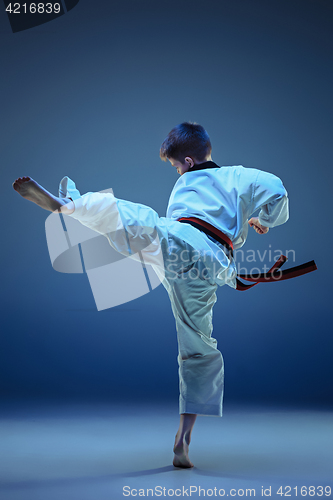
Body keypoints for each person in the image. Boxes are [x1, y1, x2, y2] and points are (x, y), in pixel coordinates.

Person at [12, 122, 289, 468]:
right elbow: (277, 189)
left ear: (187, 161)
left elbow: (166, 226)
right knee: (199, 347)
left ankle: (70, 206)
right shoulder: (240, 176)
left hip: (180, 242)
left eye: (175, 166)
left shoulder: (189, 182)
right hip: (212, 265)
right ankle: (183, 439)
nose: (176, 171)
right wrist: (266, 219)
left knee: (138, 221)